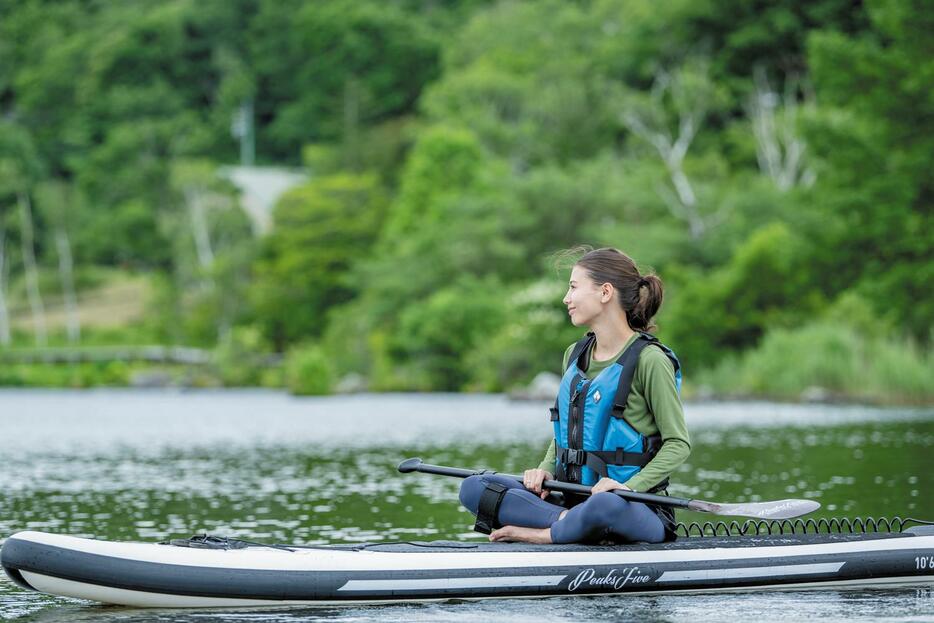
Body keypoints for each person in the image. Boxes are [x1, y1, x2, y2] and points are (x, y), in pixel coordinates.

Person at [459, 247, 690, 544]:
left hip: (631, 507)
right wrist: (544, 470)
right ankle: (567, 524)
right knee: (477, 487)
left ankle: (544, 534)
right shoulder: (574, 354)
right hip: (571, 499)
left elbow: (678, 444)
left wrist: (629, 487)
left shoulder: (650, 360)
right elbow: (565, 433)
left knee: (604, 505)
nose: (566, 298)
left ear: (605, 292)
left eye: (573, 287)